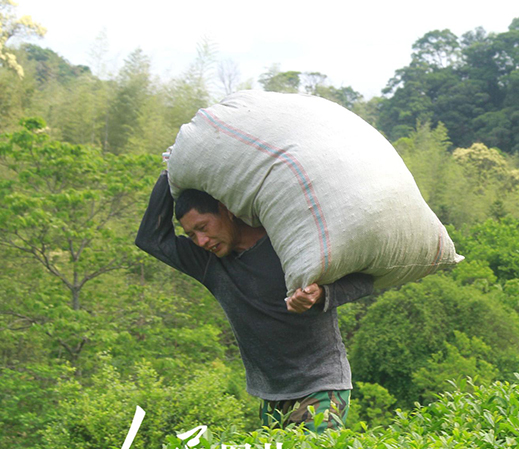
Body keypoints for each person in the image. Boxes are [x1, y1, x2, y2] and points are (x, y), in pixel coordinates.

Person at [135, 171, 374, 433]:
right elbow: (150, 238)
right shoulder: (208, 263)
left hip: (321, 385)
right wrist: (169, 174)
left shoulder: (285, 242)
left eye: (203, 227)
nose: (201, 241)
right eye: (192, 235)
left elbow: (364, 280)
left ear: (225, 209)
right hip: (271, 397)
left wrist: (322, 294)